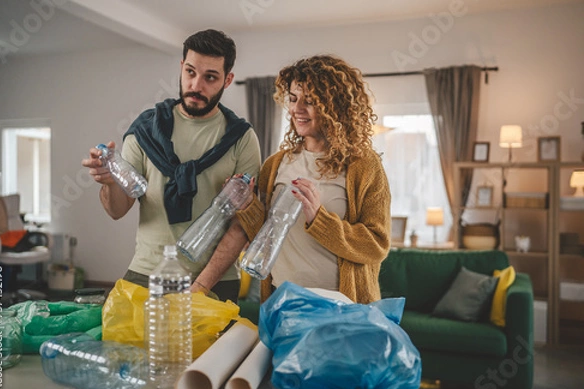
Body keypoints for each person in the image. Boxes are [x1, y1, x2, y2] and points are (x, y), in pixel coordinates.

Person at [81, 29, 261, 303]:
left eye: (210, 77)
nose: (196, 85)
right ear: (181, 68)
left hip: (215, 281)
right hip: (146, 273)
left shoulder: (241, 138)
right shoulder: (146, 130)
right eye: (190, 72)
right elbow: (117, 210)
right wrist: (109, 182)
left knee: (213, 349)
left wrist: (200, 286)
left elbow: (241, 226)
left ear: (228, 80)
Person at [236, 54, 392, 304]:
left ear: (335, 106)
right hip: (282, 299)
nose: (297, 110)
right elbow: (266, 235)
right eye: (294, 99)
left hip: (341, 306)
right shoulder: (275, 164)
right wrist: (246, 206)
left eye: (310, 101)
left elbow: (376, 245)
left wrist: (319, 218)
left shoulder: (363, 166)